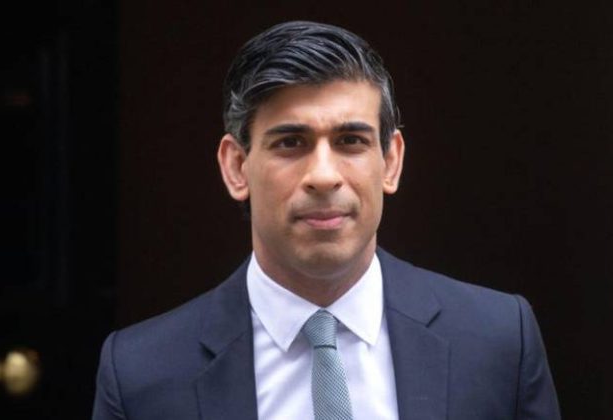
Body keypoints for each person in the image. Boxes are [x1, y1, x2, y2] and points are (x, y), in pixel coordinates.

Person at [92, 21, 560, 419]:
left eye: (350, 141)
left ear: (391, 161)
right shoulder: (141, 374)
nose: (322, 175)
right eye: (290, 143)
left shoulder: (498, 341)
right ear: (236, 167)